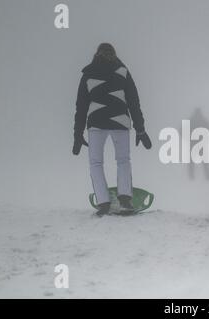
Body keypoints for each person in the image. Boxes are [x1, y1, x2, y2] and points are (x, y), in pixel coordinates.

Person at [72, 43, 152, 217]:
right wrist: (140, 129)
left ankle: (103, 203)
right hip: (120, 121)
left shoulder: (88, 74)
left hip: (96, 123)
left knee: (95, 163)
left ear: (96, 54)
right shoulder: (122, 71)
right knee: (123, 160)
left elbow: (81, 107)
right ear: (114, 54)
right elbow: (133, 101)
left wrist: (77, 134)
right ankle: (125, 201)